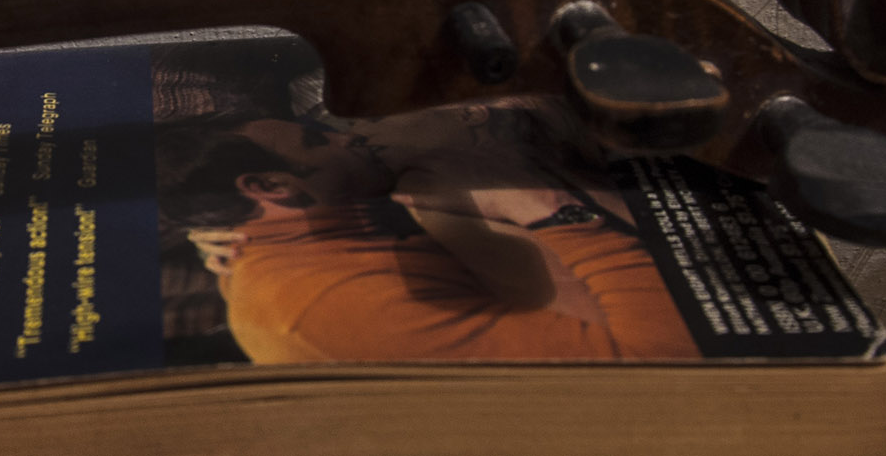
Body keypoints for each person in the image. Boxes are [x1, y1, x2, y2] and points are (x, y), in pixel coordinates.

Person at [156, 99, 701, 363]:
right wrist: (547, 208)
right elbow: (665, 360)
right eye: (319, 142)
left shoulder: (297, 248)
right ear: (269, 186)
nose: (348, 138)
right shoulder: (323, 301)